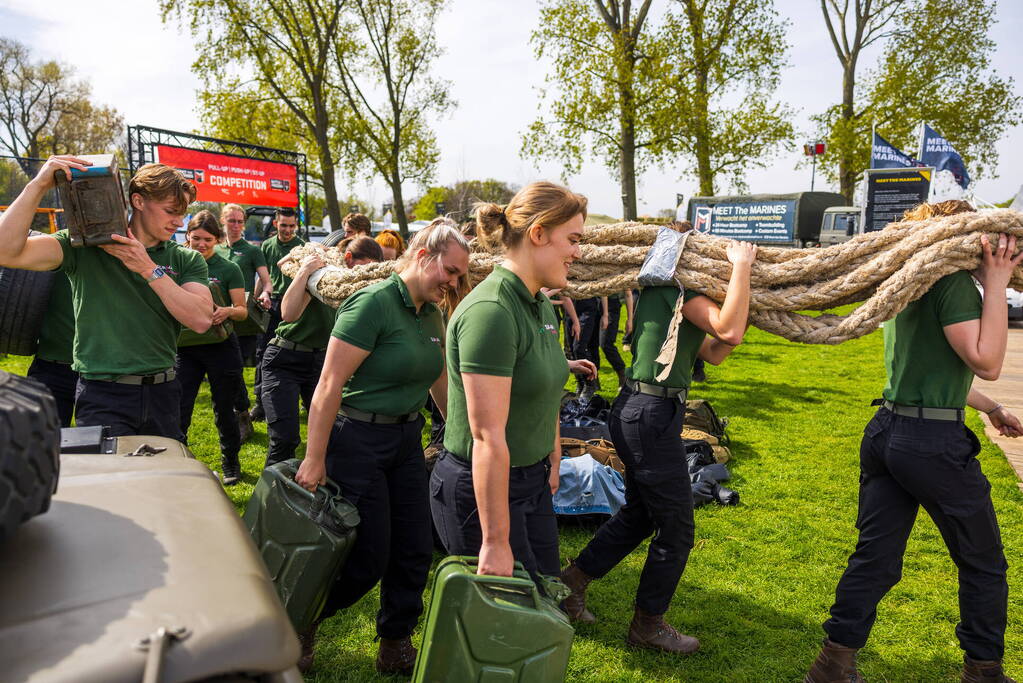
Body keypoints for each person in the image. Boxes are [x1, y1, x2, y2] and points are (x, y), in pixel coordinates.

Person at [805, 200, 1023, 683]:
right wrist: (996, 286)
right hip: (932, 445)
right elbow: (986, 361)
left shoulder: (909, 286)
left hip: (888, 431)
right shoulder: (953, 285)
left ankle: (832, 664)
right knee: (983, 562)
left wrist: (991, 408)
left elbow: (935, 368)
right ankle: (983, 670)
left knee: (876, 559)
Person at [559, 221, 757, 655]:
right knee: (678, 527)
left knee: (641, 514)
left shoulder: (663, 293)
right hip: (649, 414)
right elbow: (730, 331)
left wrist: (741, 307)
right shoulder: (678, 292)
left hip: (642, 410)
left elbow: (715, 351)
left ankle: (571, 583)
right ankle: (648, 625)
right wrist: (741, 267)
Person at [294, 219, 471, 675]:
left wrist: (463, 437)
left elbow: (438, 381)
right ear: (423, 256)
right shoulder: (370, 305)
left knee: (413, 548)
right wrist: (315, 458)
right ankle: (302, 620)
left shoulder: (432, 312)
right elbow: (329, 385)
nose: (453, 282)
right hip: (357, 440)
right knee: (366, 554)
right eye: (449, 271)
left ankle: (395, 638)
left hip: (406, 441)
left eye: (458, 275)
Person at [429, 181, 595, 584]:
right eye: (572, 239)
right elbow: (486, 436)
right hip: (483, 491)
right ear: (538, 234)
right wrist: (496, 540)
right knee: (500, 622)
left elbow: (549, 384)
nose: (578, 252)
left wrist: (552, 457)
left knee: (542, 597)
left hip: (531, 479)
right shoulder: (492, 311)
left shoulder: (539, 302)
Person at [0, 157, 212, 439]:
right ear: (138, 201)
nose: (179, 222)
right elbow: (6, 251)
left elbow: (200, 320)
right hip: (103, 394)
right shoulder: (84, 247)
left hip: (164, 391)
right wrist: (39, 184)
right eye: (171, 211)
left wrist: (147, 267)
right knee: (112, 481)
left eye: (183, 213)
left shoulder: (186, 258)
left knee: (161, 481)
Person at [262, 236, 383, 467]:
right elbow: (288, 313)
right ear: (348, 259)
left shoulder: (357, 288)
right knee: (284, 438)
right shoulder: (324, 277)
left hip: (319, 361)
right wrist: (306, 269)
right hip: (284, 359)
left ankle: (320, 494)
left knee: (331, 435)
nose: (366, 275)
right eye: (364, 267)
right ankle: (272, 497)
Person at [176, 211, 248, 485]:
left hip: (220, 346)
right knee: (179, 408)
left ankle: (230, 461)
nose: (201, 244)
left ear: (217, 240)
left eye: (207, 239)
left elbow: (242, 311)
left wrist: (227, 311)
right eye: (196, 238)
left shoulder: (229, 268)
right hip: (185, 347)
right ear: (187, 237)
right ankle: (177, 462)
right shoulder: (175, 261)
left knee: (224, 407)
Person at [216, 203, 271, 439]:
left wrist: (266, 292)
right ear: (223, 222)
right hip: (216, 319)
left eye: (240, 221)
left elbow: (266, 280)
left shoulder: (251, 251)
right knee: (222, 371)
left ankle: (241, 415)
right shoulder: (213, 249)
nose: (236, 226)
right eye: (232, 221)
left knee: (235, 370)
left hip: (243, 321)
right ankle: (234, 413)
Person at [251, 207, 305, 422]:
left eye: (292, 226)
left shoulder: (301, 247)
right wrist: (253, 301)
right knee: (263, 352)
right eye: (284, 225)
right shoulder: (267, 246)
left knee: (298, 352)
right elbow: (263, 277)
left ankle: (303, 398)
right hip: (271, 303)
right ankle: (260, 403)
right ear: (276, 224)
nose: (288, 230)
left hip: (295, 304)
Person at [27, 271, 78, 427]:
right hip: (51, 367)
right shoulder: (48, 254)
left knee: (104, 447)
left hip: (108, 375)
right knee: (38, 443)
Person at [599, 291, 635, 390]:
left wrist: (630, 319)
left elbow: (628, 294)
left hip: (611, 306)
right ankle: (592, 383)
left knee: (606, 344)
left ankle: (622, 373)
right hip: (595, 303)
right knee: (591, 344)